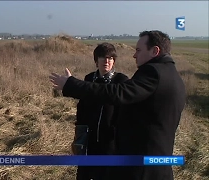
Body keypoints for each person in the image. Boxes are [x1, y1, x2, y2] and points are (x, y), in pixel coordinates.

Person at [49, 30, 186, 180]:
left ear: (155, 51)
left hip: (143, 168)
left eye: (139, 50)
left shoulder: (154, 72)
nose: (134, 55)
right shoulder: (173, 75)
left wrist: (71, 84)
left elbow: (118, 93)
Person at [72, 43, 128, 180]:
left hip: (110, 141)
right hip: (89, 139)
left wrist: (116, 135)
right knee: (85, 174)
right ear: (96, 61)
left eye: (110, 58)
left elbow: (125, 113)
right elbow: (82, 108)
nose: (106, 61)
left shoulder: (121, 81)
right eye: (102, 57)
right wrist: (79, 134)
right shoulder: (89, 79)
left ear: (114, 61)